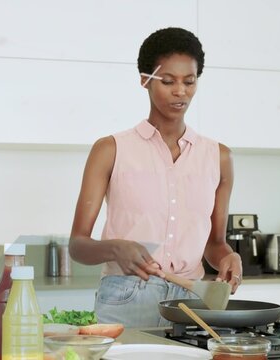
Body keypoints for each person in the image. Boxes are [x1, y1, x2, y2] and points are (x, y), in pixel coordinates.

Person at [68, 27, 242, 328]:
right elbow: (77, 245)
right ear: (145, 80)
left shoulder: (219, 157)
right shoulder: (110, 149)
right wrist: (114, 247)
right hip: (125, 298)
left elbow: (215, 244)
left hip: (193, 302)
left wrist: (230, 258)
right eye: (168, 81)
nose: (180, 91)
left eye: (189, 81)